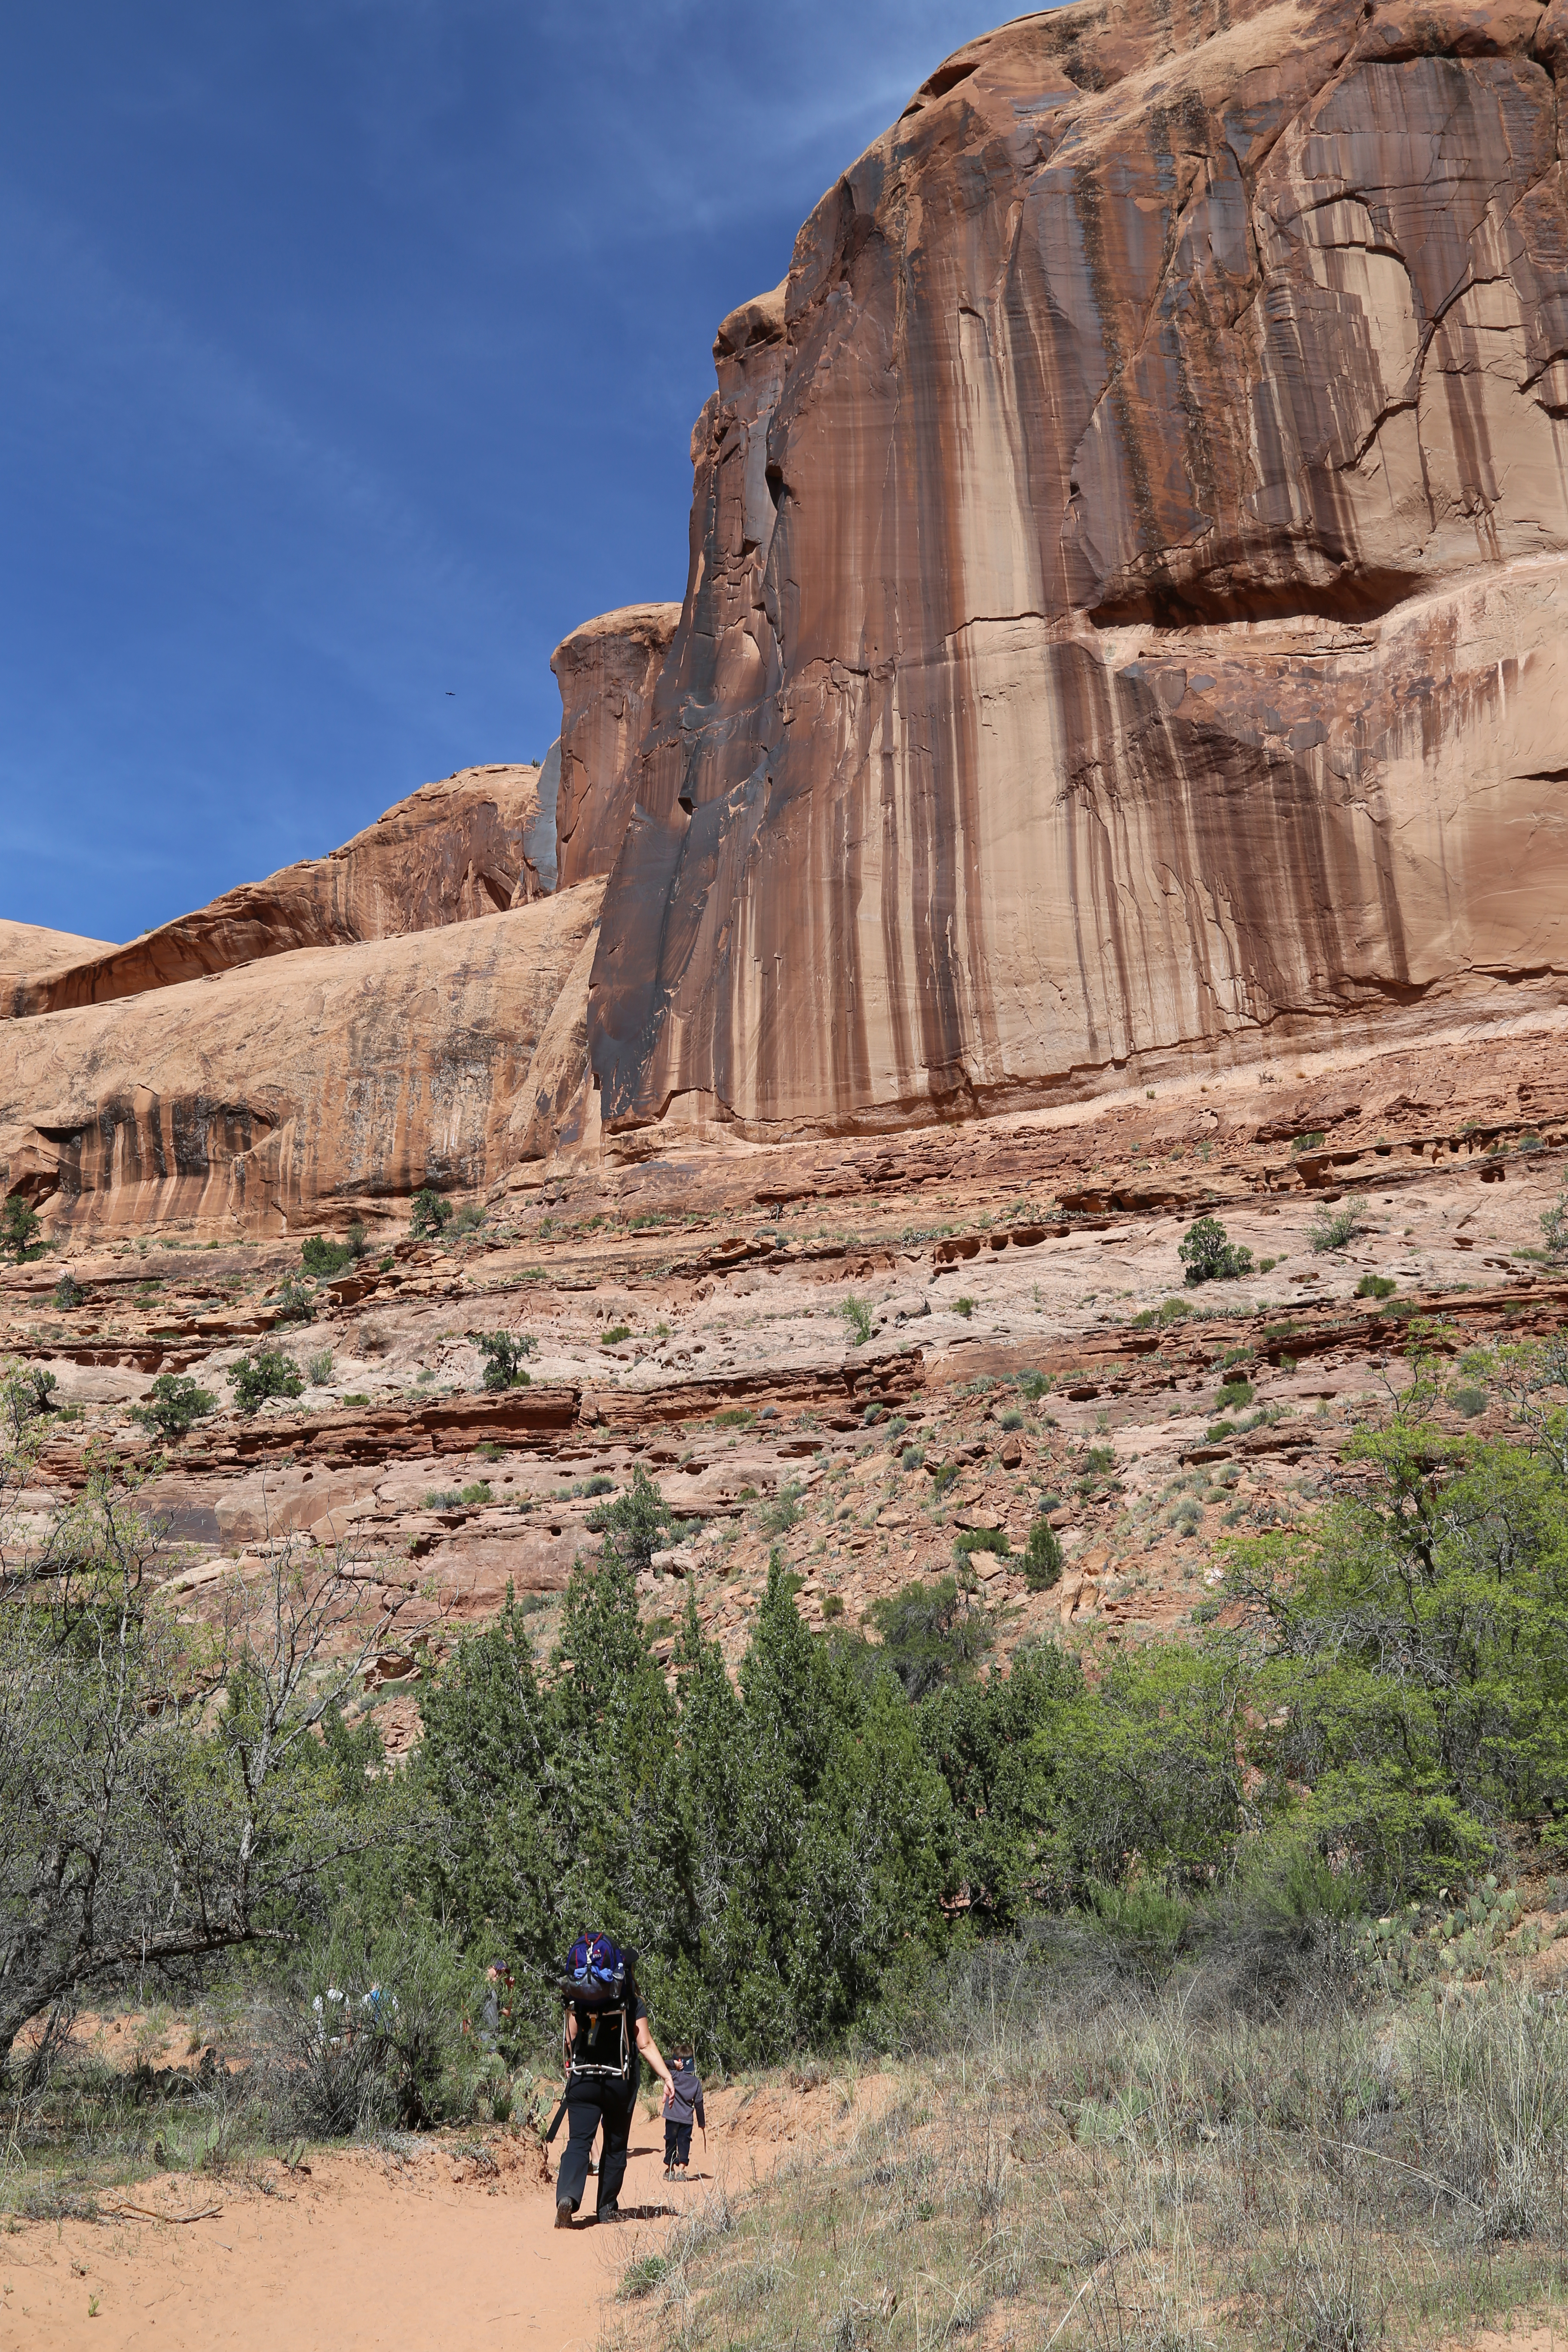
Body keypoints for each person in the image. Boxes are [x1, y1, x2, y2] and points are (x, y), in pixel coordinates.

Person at [555, 1939, 677, 2228]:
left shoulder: (580, 2001)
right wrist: (667, 2076)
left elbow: (570, 2040)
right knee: (615, 2144)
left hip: (583, 2079)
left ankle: (568, 2198)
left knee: (579, 2142)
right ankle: (607, 2208)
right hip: (617, 2083)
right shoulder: (632, 2003)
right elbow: (644, 2044)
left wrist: (570, 2068)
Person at [662, 2049, 704, 2181]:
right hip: (687, 2119)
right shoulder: (696, 2082)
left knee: (671, 2141)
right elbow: (699, 2103)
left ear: (678, 2062)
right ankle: (681, 2171)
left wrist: (672, 2064)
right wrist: (702, 2123)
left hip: (672, 2116)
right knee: (684, 2142)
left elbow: (660, 2065)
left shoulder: (672, 2075)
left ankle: (670, 2170)